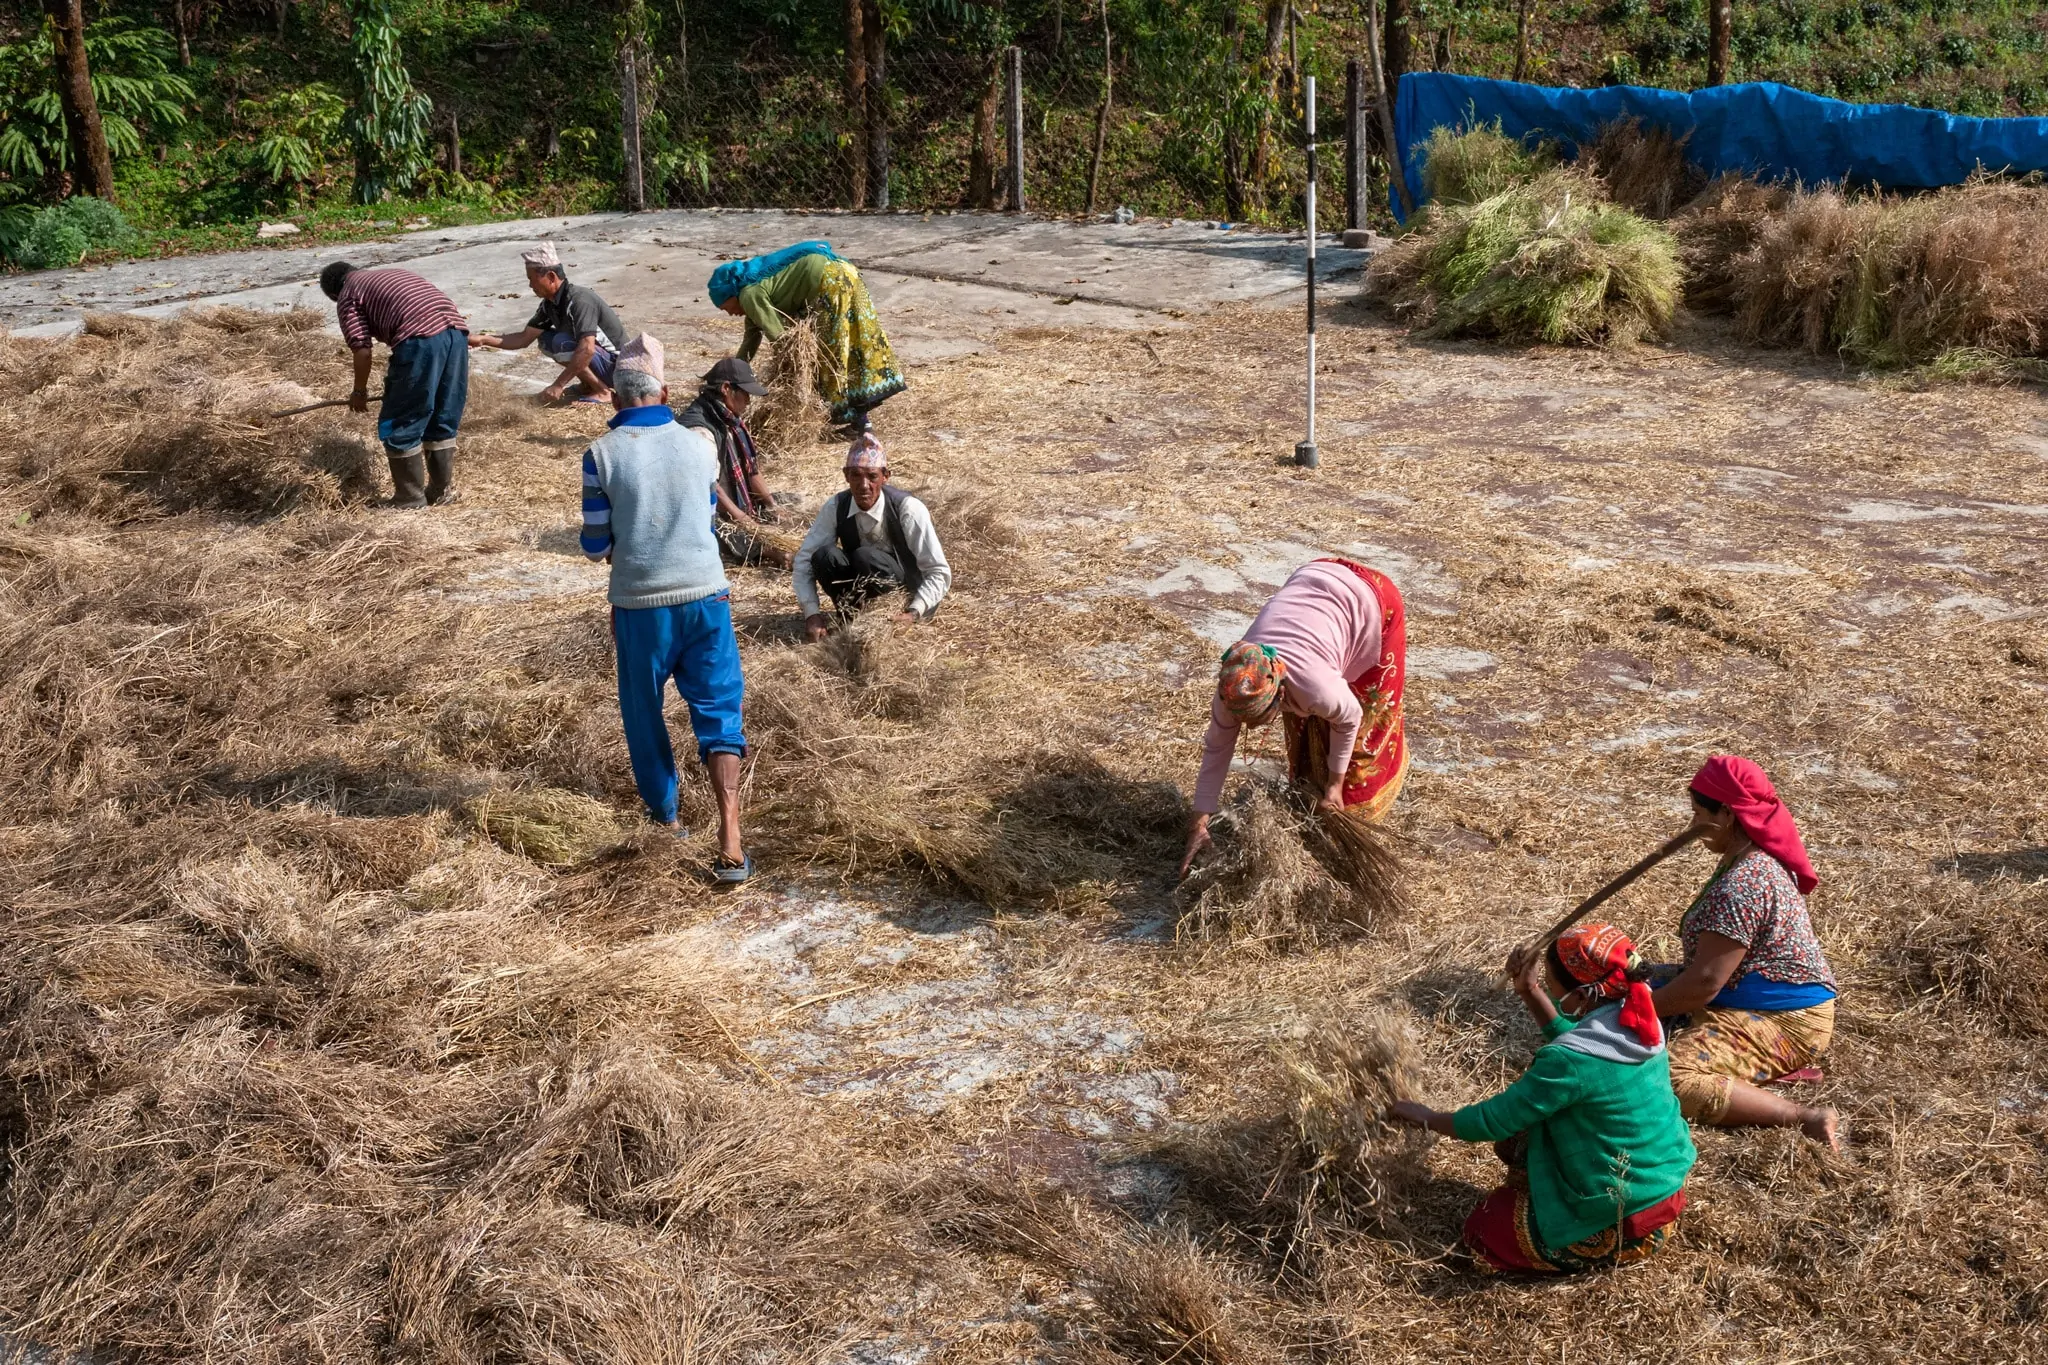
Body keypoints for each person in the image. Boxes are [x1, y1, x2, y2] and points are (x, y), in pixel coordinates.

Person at [1389, 924, 1697, 1274]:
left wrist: (1425, 1116)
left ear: (1582, 997)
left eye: (1550, 981)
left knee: (1484, 1229)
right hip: (1663, 1192)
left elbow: (1492, 1121)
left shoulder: (1568, 1064)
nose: (1549, 986)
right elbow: (1586, 1047)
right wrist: (1530, 990)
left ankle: (1597, 1245)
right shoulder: (1639, 1019)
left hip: (1623, 1221)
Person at [577, 334, 751, 883]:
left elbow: (594, 544)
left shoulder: (600, 456)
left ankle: (668, 818)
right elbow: (703, 518)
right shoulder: (702, 445)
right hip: (707, 596)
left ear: (613, 396)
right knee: (720, 712)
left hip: (640, 605)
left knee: (644, 711)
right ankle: (730, 834)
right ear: (665, 391)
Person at [1653, 755, 1840, 1148]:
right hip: (1747, 997)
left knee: (1667, 1077)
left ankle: (1803, 1117)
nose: (1692, 826)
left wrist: (1637, 1009)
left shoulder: (1745, 882)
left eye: (1698, 813)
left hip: (1787, 1021)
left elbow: (1704, 983)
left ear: (1727, 814)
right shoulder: (1746, 859)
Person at [1178, 558, 1407, 877]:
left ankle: (1354, 815)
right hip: (1313, 580)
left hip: (1373, 602)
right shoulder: (1238, 681)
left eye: (1259, 718)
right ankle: (1315, 801)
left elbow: (1349, 718)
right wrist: (1199, 824)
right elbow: (1217, 750)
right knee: (1305, 731)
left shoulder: (1314, 687)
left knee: (1362, 742)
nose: (1251, 726)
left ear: (1279, 690)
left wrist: (1334, 787)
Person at [707, 240, 906, 436]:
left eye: (725, 307)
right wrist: (731, 374)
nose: (730, 313)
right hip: (845, 272)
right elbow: (750, 342)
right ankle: (861, 423)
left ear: (730, 295)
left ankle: (858, 421)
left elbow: (780, 339)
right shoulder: (752, 289)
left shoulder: (748, 294)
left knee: (829, 358)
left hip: (829, 281)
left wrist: (792, 372)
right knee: (854, 346)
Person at [320, 260, 469, 508]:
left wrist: (359, 391)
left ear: (334, 294)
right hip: (457, 334)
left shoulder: (348, 294)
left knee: (402, 418)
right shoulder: (390, 274)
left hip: (420, 340)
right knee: (442, 416)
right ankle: (440, 493)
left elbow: (362, 350)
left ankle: (409, 498)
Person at [791, 434, 951, 641]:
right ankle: (852, 615)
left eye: (872, 476)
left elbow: (938, 570)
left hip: (905, 596)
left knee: (865, 556)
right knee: (825, 556)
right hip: (860, 591)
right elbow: (805, 560)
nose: (864, 485)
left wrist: (914, 611)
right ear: (846, 476)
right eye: (856, 475)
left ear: (885, 476)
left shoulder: (908, 509)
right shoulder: (836, 506)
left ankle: (890, 616)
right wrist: (811, 613)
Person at [468, 242, 629, 404]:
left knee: (562, 342)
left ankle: (603, 391)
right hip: (603, 363)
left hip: (618, 368)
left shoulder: (580, 300)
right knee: (546, 339)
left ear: (551, 277)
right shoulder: (550, 304)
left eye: (532, 279)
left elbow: (587, 349)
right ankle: (589, 384)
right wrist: (483, 339)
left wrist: (558, 385)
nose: (530, 285)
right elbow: (524, 338)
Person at [677, 357, 791, 569]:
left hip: (735, 499)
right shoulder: (699, 430)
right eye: (746, 393)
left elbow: (751, 470)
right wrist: (745, 522)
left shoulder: (730, 418)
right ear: (727, 389)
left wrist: (772, 505)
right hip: (708, 509)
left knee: (789, 502)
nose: (748, 400)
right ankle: (769, 551)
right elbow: (711, 488)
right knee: (723, 532)